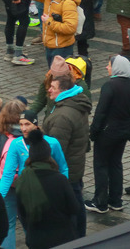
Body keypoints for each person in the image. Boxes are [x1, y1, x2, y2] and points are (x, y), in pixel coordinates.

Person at [86, 55, 130, 213]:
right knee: (116, 164)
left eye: (109, 65)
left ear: (117, 68)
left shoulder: (109, 86)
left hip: (107, 132)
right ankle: (116, 200)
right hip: (124, 131)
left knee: (101, 165)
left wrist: (94, 132)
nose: (106, 67)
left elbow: (101, 112)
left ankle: (100, 202)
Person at [42, 74, 91, 238]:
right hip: (75, 165)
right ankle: (80, 236)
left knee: (71, 208)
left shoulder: (62, 116)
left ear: (63, 91)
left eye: (53, 88)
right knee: (77, 202)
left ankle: (74, 239)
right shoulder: (75, 103)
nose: (49, 89)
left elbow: (55, 150)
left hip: (65, 170)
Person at [15, 130, 79, 249]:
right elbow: (74, 208)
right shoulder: (60, 179)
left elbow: (21, 213)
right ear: (48, 155)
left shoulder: (23, 180)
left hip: (36, 239)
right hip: (62, 238)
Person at [26, 0, 80, 66]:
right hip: (50, 45)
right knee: (52, 74)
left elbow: (70, 28)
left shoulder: (67, 3)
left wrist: (49, 22)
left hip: (62, 48)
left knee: (59, 76)